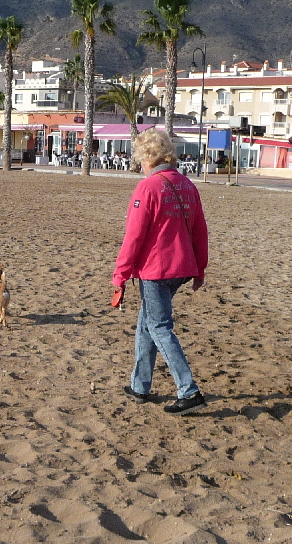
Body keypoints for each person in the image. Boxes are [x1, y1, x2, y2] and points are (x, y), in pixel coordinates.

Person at [111, 128, 209, 416]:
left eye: (140, 157)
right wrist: (199, 268)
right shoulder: (188, 185)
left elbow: (134, 236)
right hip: (182, 268)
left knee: (159, 326)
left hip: (158, 269)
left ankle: (188, 391)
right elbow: (199, 231)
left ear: (147, 157)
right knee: (147, 322)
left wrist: (120, 274)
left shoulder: (149, 187)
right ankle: (140, 385)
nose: (139, 163)